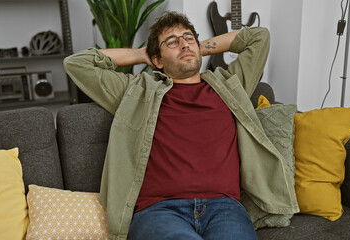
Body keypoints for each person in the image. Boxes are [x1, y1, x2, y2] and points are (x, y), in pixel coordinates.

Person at [64, 11, 298, 240]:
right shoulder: (136, 91)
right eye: (172, 42)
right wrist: (142, 54)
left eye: (188, 38)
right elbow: (77, 63)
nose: (184, 44)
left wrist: (194, 47)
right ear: (157, 60)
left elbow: (259, 37)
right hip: (159, 211)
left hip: (225, 208)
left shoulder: (229, 87)